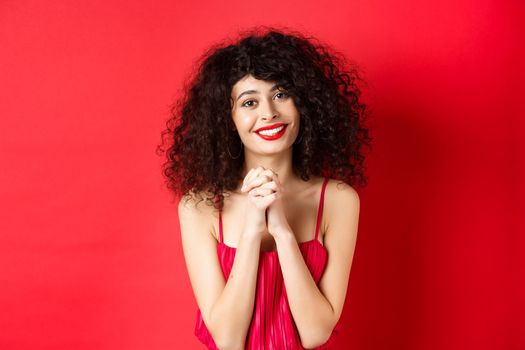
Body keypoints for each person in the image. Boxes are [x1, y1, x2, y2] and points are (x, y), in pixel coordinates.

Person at [157, 26, 372, 349]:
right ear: (226, 119)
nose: (269, 113)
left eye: (281, 95)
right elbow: (228, 341)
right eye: (249, 102)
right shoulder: (198, 207)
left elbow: (315, 334)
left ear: (304, 105)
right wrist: (252, 228)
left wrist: (282, 230)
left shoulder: (338, 200)